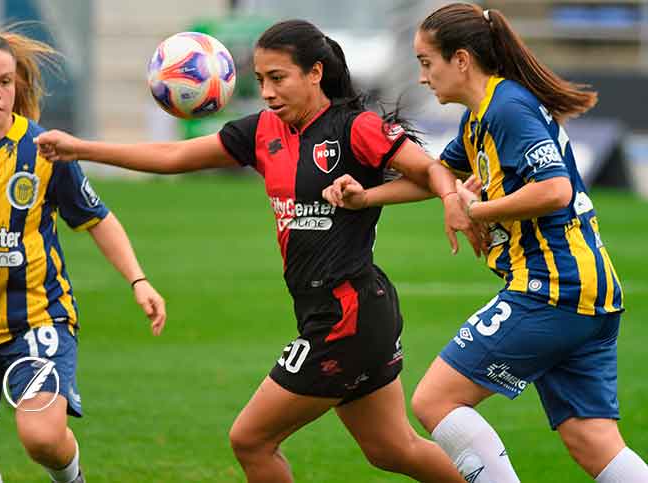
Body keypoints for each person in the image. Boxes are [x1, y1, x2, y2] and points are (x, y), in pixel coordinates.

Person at [35, 18, 484, 483]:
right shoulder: (262, 131)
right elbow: (173, 158)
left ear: (314, 73)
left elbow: (430, 170)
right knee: (393, 449)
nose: (267, 92)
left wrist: (450, 200)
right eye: (260, 80)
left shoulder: (355, 128)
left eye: (278, 78)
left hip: (346, 315)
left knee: (251, 440)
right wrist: (82, 148)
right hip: (340, 311)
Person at [322, 3, 648, 482]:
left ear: (461, 60)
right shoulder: (481, 117)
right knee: (592, 439)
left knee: (435, 399)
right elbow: (437, 177)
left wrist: (473, 210)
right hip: (587, 292)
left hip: (552, 288)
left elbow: (555, 189)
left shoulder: (506, 107)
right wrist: (366, 197)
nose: (422, 77)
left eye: (426, 62)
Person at [0, 26, 166, 483]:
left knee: (41, 437)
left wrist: (139, 280)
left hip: (38, 318)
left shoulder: (45, 150)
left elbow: (98, 218)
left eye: (5, 81)